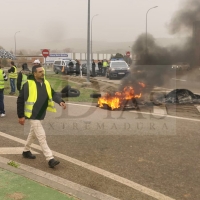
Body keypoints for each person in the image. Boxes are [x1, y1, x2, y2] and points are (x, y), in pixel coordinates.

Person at [17, 64, 66, 168]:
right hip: (32, 114)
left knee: (33, 134)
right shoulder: (28, 84)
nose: (42, 73)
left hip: (41, 114)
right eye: (40, 72)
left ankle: (26, 151)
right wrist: (21, 115)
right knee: (41, 136)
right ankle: (50, 159)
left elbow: (53, 94)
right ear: (34, 73)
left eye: (43, 71)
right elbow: (20, 100)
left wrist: (60, 101)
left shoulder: (46, 83)